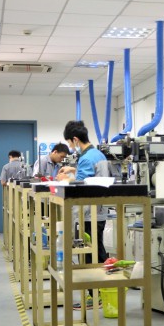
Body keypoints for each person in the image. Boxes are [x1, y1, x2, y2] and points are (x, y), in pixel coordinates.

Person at [58, 120, 111, 309]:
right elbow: (93, 177)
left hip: (89, 213)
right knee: (98, 250)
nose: (70, 147)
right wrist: (74, 169)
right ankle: (104, 292)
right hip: (100, 211)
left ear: (75, 139)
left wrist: (66, 179)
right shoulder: (97, 154)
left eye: (70, 143)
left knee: (91, 255)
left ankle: (95, 296)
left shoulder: (86, 158)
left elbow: (81, 188)